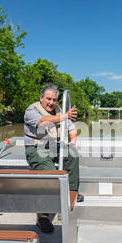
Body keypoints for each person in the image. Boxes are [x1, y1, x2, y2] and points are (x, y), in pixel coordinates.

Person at [24, 84, 83, 233]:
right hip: (36, 147)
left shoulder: (59, 111)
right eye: (48, 99)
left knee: (72, 154)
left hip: (53, 146)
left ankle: (71, 193)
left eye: (54, 100)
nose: (51, 102)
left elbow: (72, 130)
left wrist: (73, 142)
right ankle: (43, 215)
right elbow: (43, 122)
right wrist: (64, 116)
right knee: (49, 172)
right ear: (41, 98)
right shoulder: (32, 110)